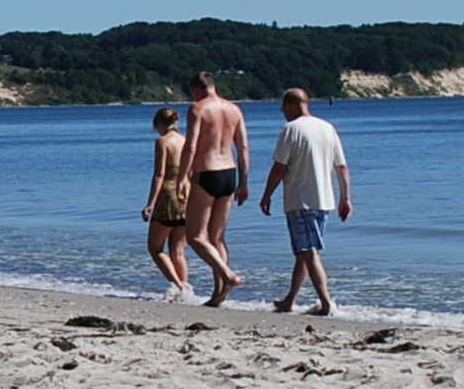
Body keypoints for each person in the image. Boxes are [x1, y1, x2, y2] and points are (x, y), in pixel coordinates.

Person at [259, 87, 353, 316]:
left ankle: (326, 302)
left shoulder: (291, 129)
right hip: (324, 200)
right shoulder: (327, 128)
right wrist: (345, 197)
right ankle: (289, 300)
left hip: (300, 200)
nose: (283, 112)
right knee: (303, 252)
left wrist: (267, 194)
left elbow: (279, 167)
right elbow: (341, 166)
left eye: (284, 108)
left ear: (292, 105)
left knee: (309, 251)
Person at [172, 70, 250, 306]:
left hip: (207, 172)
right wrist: (244, 182)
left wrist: (182, 178)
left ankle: (227, 275)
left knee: (196, 237)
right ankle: (219, 295)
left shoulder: (198, 109)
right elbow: (243, 147)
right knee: (217, 238)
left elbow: (191, 146)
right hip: (229, 173)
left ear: (196, 89)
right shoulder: (234, 109)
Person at [140, 107, 192, 300]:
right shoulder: (186, 141)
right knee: (178, 250)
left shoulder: (163, 142)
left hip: (168, 197)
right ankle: (185, 290)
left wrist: (150, 203)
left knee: (155, 248)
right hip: (187, 195)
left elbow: (160, 175)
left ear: (159, 124)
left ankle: (178, 286)